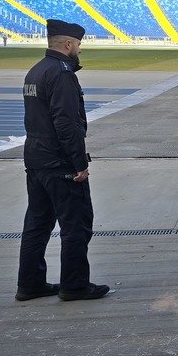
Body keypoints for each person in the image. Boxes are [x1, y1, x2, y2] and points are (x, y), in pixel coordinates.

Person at [16, 19, 108, 302]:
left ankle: (30, 284)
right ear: (68, 45)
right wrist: (79, 163)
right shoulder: (62, 73)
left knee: (37, 224)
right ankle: (75, 284)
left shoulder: (36, 71)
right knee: (76, 225)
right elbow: (67, 123)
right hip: (59, 163)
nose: (80, 50)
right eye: (78, 45)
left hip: (36, 159)